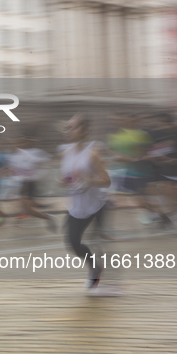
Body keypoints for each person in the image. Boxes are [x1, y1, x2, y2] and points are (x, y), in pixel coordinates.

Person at [60, 114, 110, 290]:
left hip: (96, 206)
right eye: (67, 127)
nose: (68, 130)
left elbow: (106, 181)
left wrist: (90, 181)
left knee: (98, 240)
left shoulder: (92, 155)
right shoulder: (65, 153)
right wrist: (63, 181)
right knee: (72, 242)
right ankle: (95, 267)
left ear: (84, 130)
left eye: (72, 127)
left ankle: (104, 276)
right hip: (77, 207)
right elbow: (66, 178)